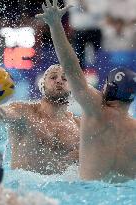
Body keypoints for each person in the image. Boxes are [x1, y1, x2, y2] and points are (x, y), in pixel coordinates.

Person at [37, 0, 136, 182]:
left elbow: (71, 67)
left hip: (86, 194)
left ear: (106, 89)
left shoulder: (96, 111)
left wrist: (55, 25)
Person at [0, 64, 80, 175]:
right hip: (23, 188)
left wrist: (83, 156)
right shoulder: (24, 112)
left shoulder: (79, 126)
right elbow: (5, 113)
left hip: (65, 189)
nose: (59, 81)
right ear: (42, 84)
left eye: (65, 79)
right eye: (53, 77)